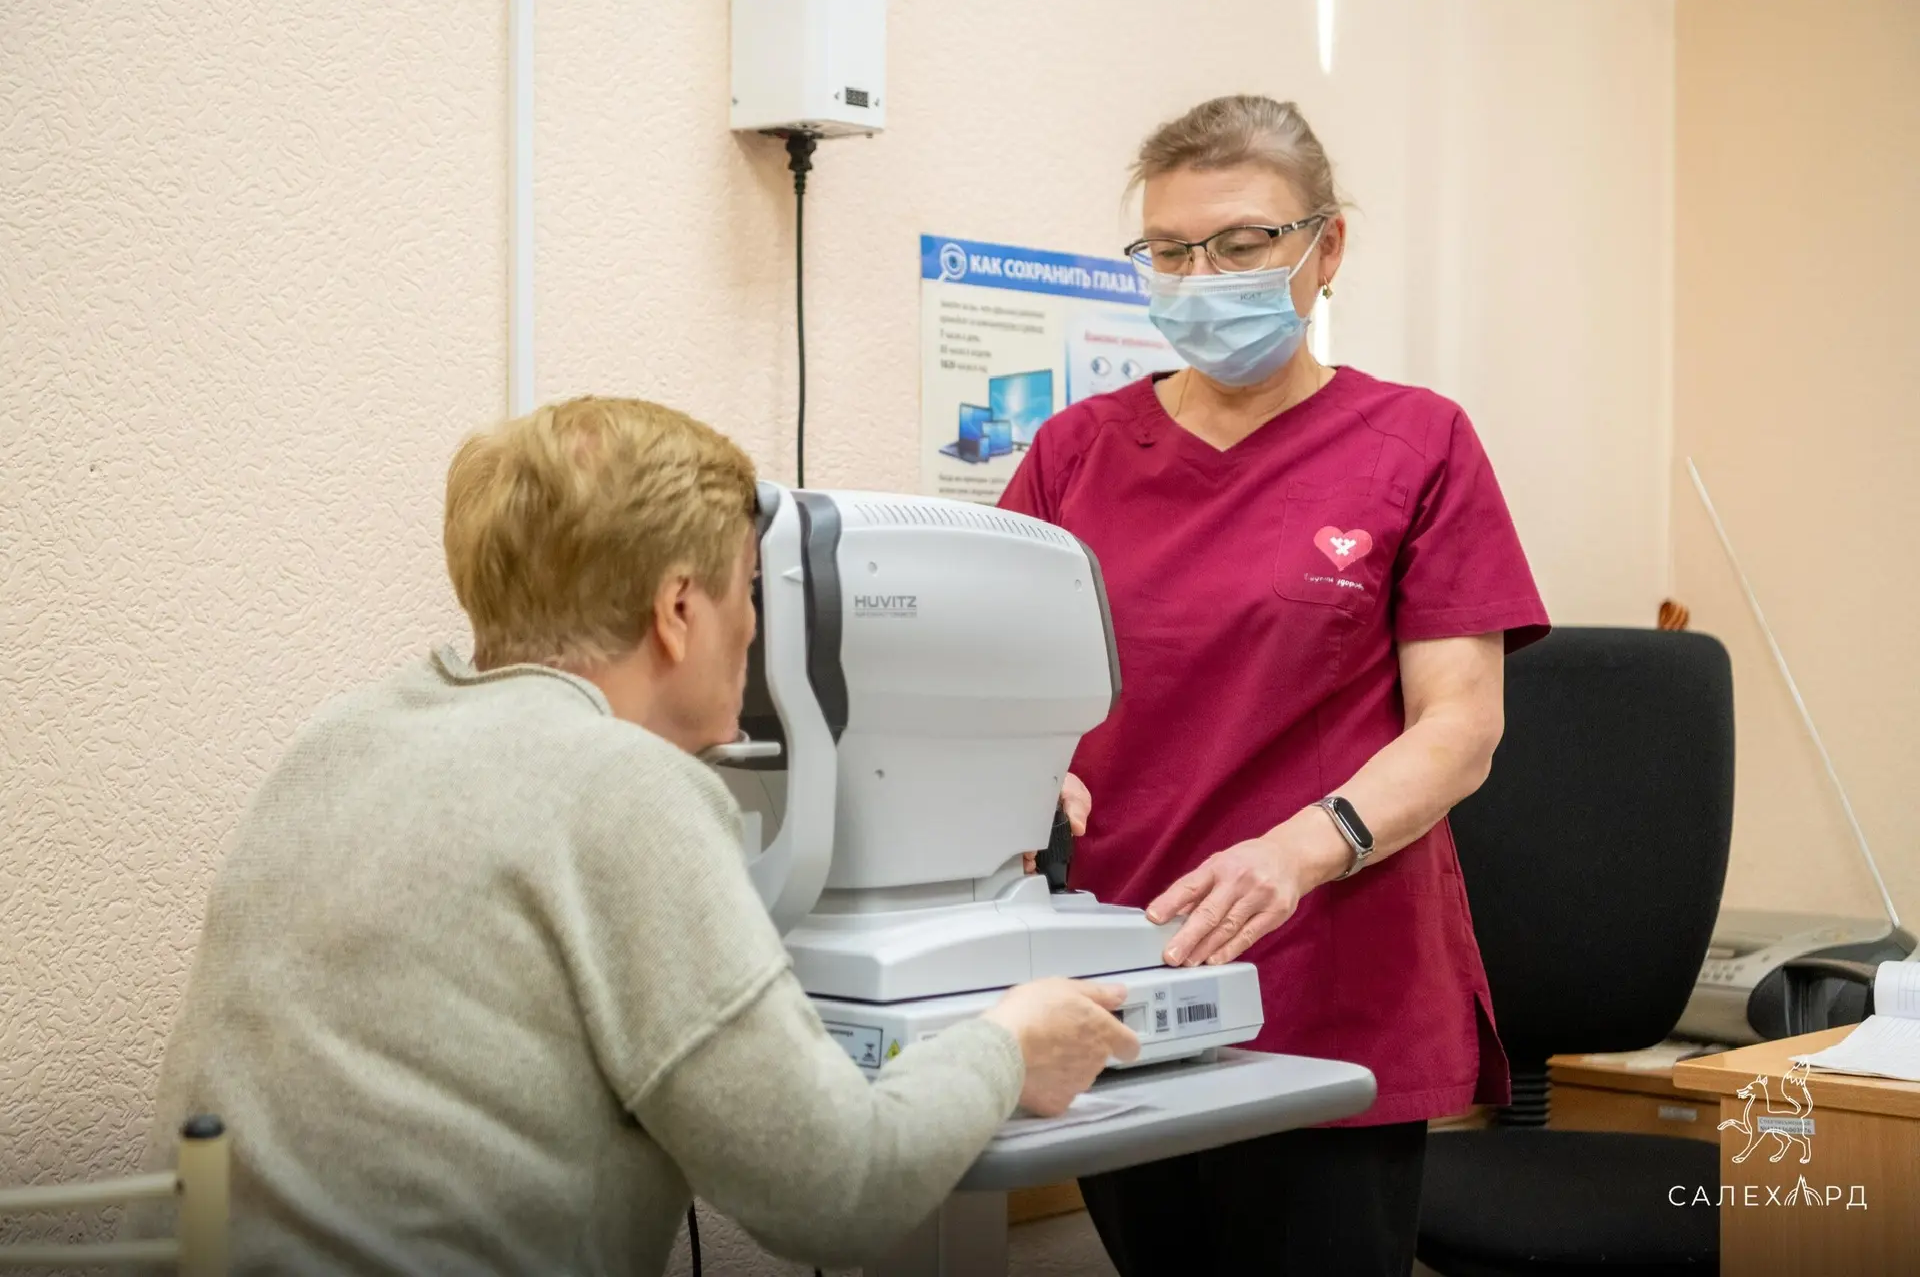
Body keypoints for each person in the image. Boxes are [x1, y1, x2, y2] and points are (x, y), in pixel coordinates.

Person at [136, 397, 1138, 1275]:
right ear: (678, 609)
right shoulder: (623, 788)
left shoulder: (346, 732)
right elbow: (836, 1192)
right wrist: (1010, 1045)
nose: (755, 629)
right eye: (749, 591)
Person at [999, 96, 1550, 1275]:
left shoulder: (1417, 442)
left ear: (1325, 246)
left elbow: (1462, 724)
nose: (1203, 278)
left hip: (1332, 970)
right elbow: (1000, 681)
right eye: (1171, 251)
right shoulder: (1074, 453)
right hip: (1121, 962)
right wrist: (1019, 770)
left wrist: (1302, 849)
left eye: (1243, 243)